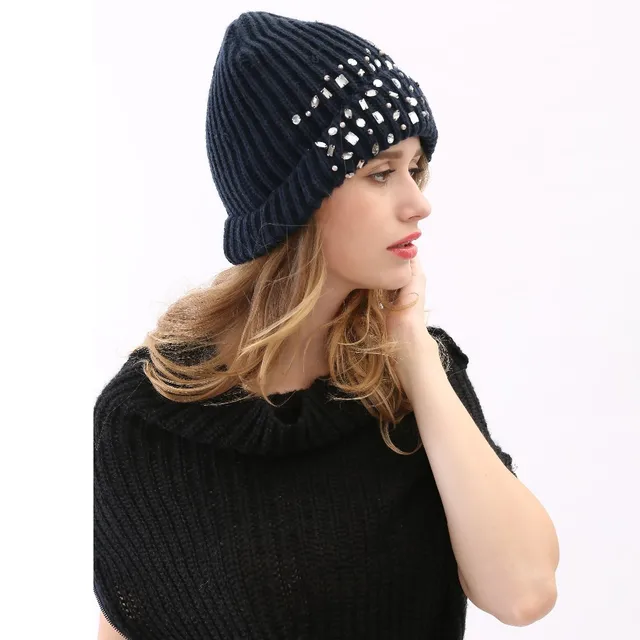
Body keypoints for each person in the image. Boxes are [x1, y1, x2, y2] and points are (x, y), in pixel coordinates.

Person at [94, 10, 519, 639]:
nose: (418, 202)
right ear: (296, 202)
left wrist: (415, 354)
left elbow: (523, 592)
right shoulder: (148, 416)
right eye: (381, 173)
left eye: (415, 168)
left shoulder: (413, 377)